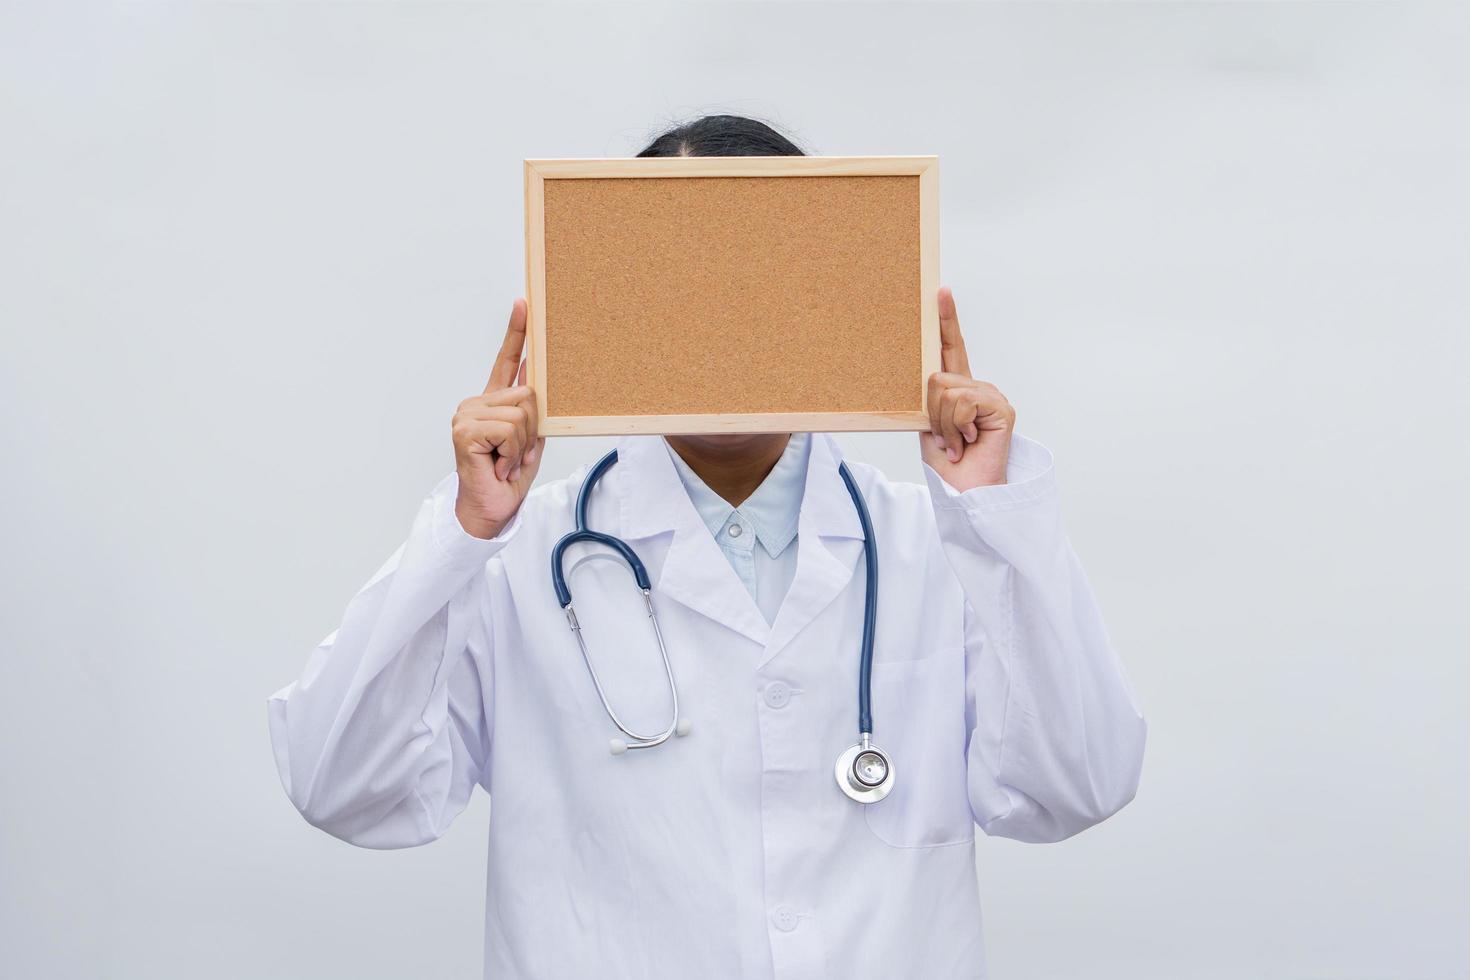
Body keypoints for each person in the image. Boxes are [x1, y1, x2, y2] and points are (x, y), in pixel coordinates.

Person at [268, 115, 1146, 979]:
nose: (723, 324)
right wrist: (460, 535)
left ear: (827, 301)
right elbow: (342, 789)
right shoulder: (519, 557)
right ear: (619, 308)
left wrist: (993, 520)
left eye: (759, 283)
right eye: (679, 286)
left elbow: (1078, 787)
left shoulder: (941, 545)